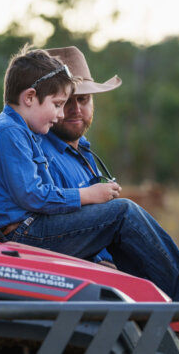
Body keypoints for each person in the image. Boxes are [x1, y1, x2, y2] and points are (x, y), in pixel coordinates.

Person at [0, 46, 179, 302]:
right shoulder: (10, 133)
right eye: (59, 104)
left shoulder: (26, 133)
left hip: (27, 228)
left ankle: (163, 293)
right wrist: (88, 196)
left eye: (81, 99)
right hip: (20, 233)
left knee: (120, 215)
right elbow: (33, 196)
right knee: (123, 213)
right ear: (29, 98)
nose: (63, 113)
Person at [39, 46, 121, 266]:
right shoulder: (42, 156)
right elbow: (62, 237)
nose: (75, 109)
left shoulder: (83, 150)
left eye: (83, 99)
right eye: (65, 102)